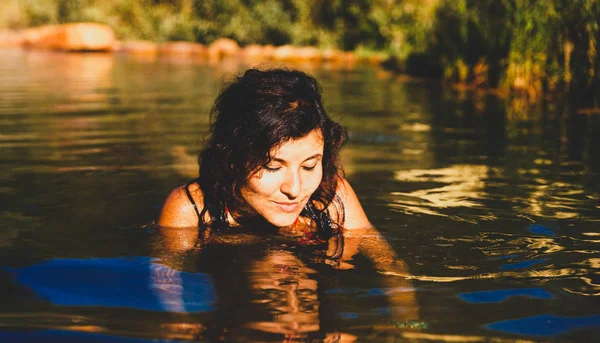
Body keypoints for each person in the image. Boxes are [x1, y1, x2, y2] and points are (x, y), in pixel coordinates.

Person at [158, 68, 371, 238]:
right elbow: (166, 284)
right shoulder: (192, 210)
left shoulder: (329, 195)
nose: (295, 190)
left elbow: (387, 264)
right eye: (273, 166)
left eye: (309, 166)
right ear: (232, 158)